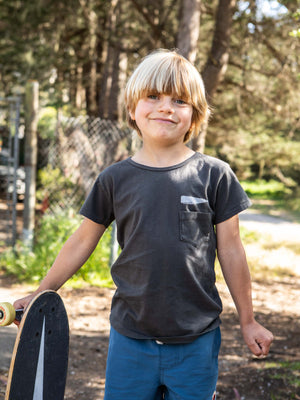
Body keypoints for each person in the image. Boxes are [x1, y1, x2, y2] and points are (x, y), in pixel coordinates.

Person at [14, 49, 273, 400]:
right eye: (153, 96)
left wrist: (248, 320)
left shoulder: (215, 175)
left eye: (179, 100)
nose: (166, 107)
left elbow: (231, 249)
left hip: (197, 339)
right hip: (131, 338)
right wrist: (42, 293)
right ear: (133, 108)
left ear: (194, 116)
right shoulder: (114, 179)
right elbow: (81, 242)